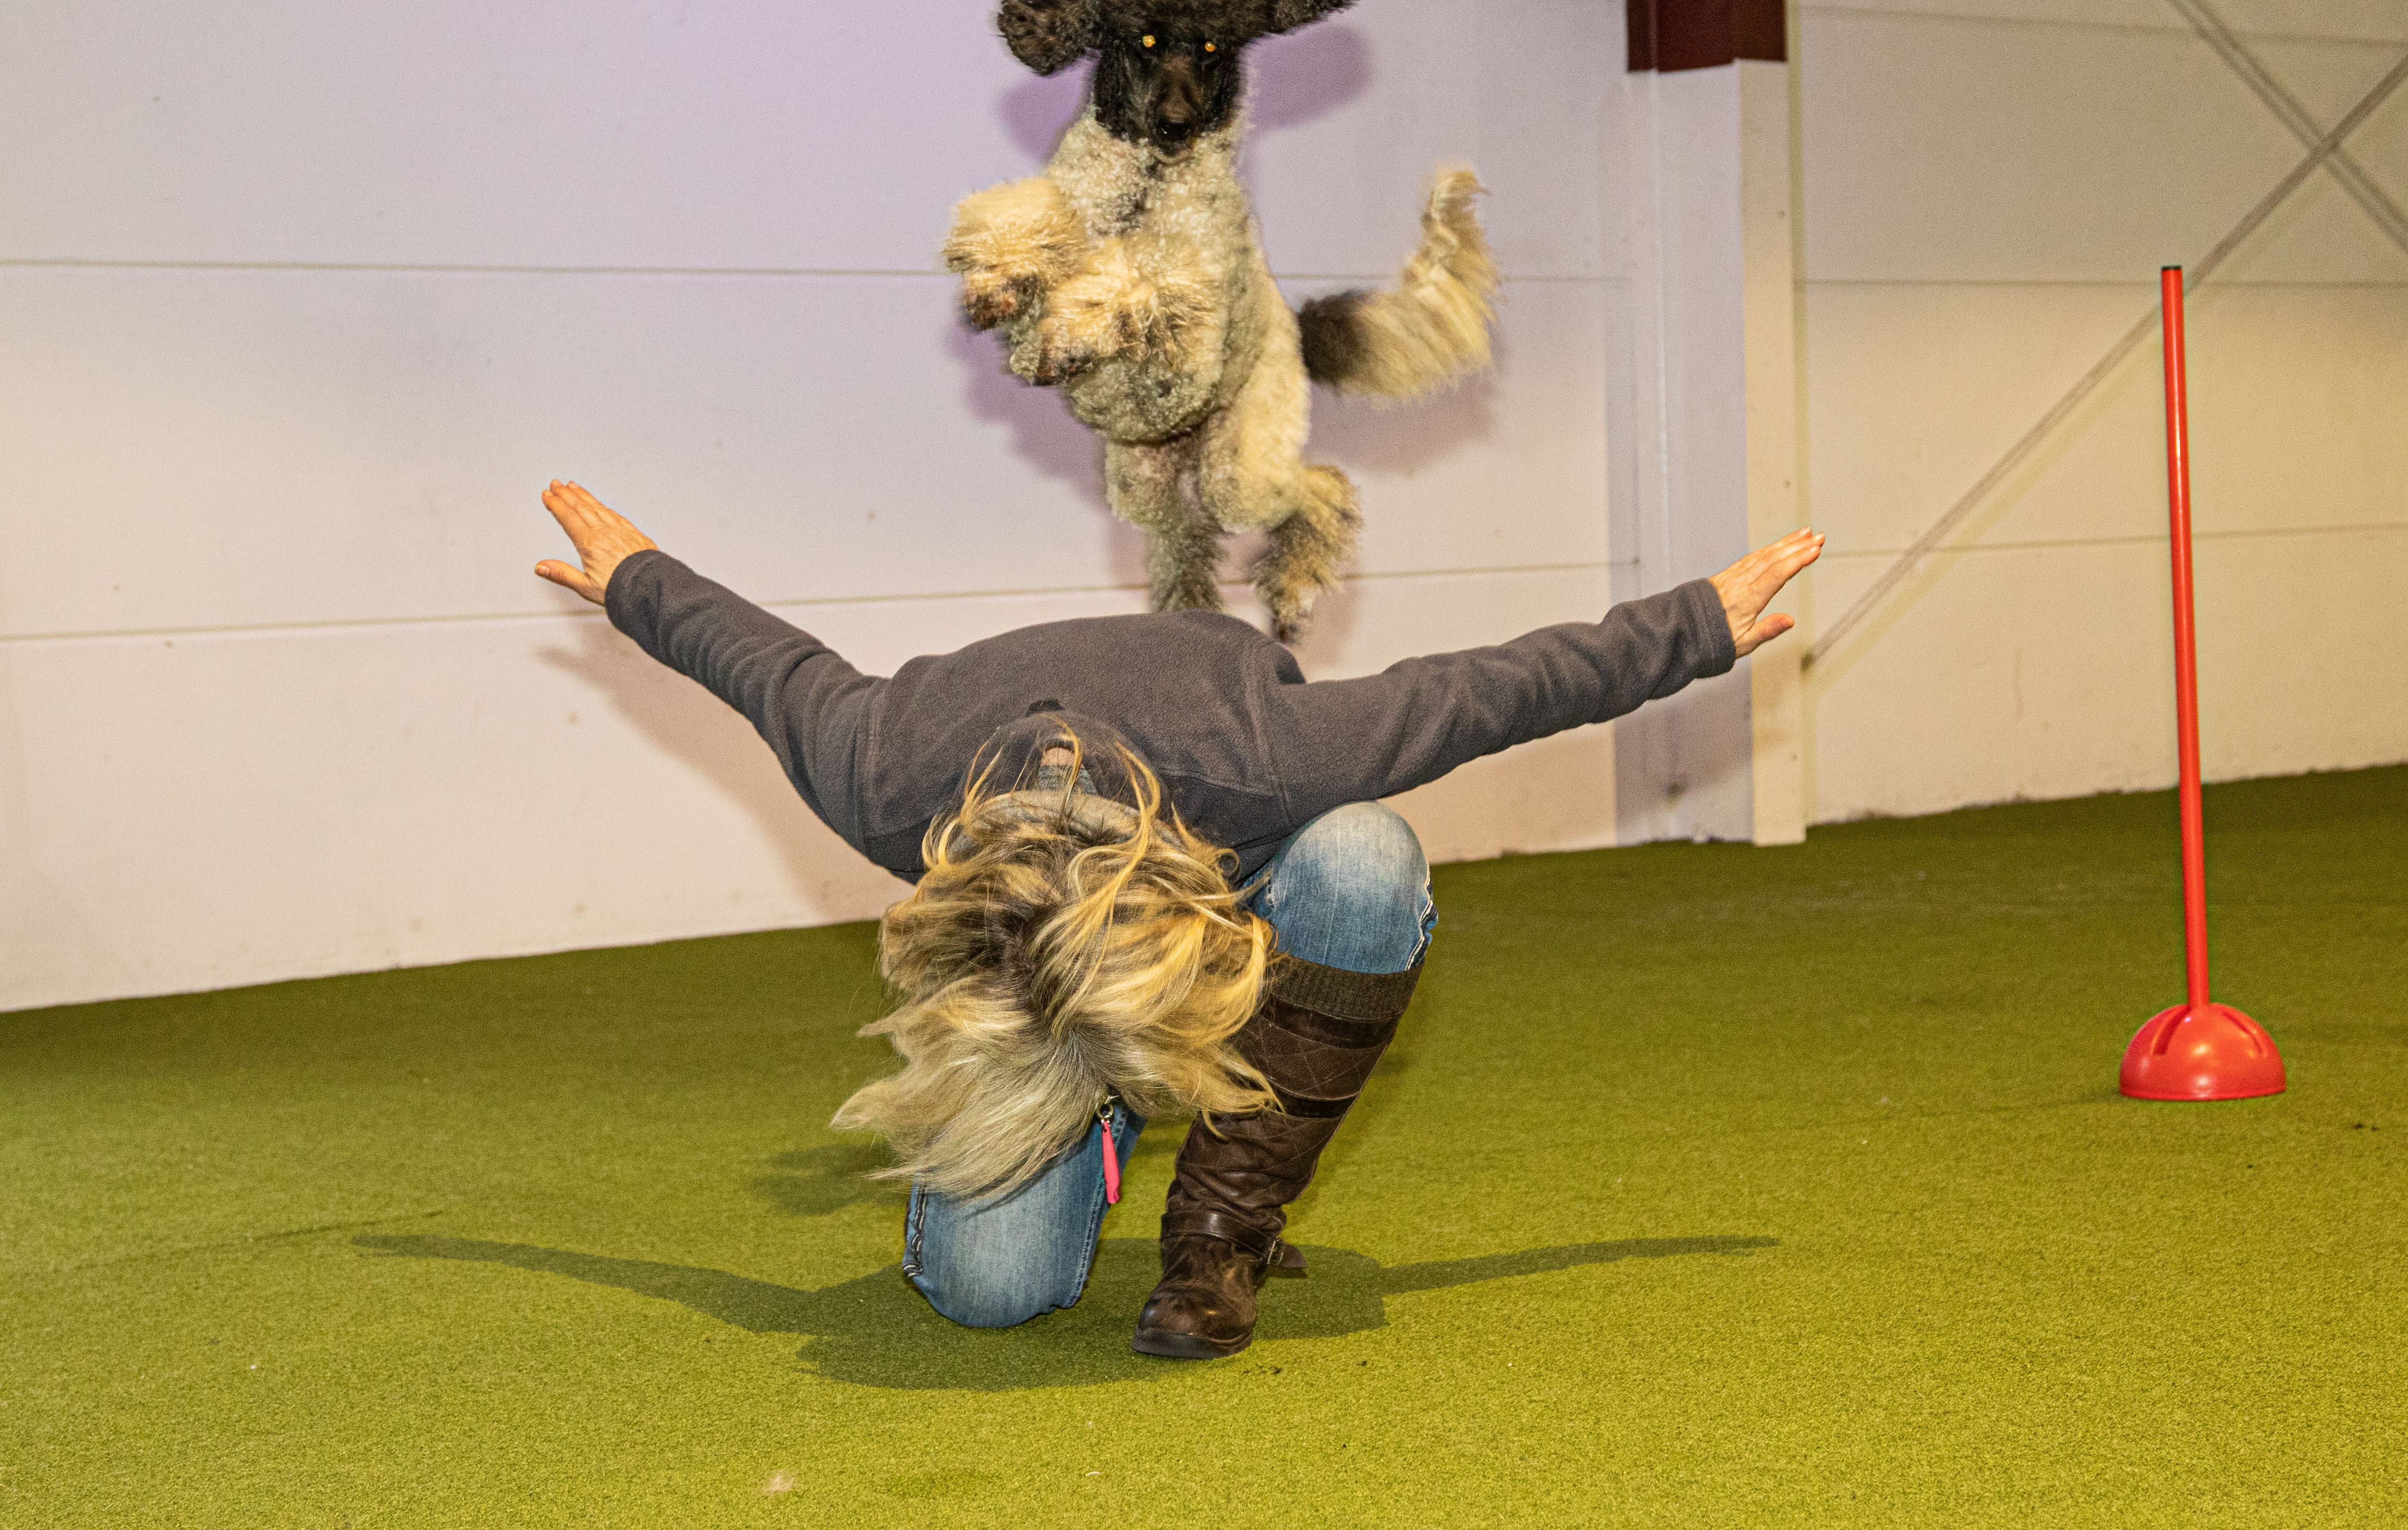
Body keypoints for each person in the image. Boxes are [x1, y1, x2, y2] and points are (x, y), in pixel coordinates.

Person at [533, 480, 1822, 1358]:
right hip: (1048, 905)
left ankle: (1220, 1229)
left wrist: (1695, 626)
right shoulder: (889, 773)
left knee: (1368, 857)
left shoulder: (1267, 753)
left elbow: (1483, 691)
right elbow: (765, 663)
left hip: (1211, 844)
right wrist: (636, 576)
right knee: (996, 1296)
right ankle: (1084, 1121)